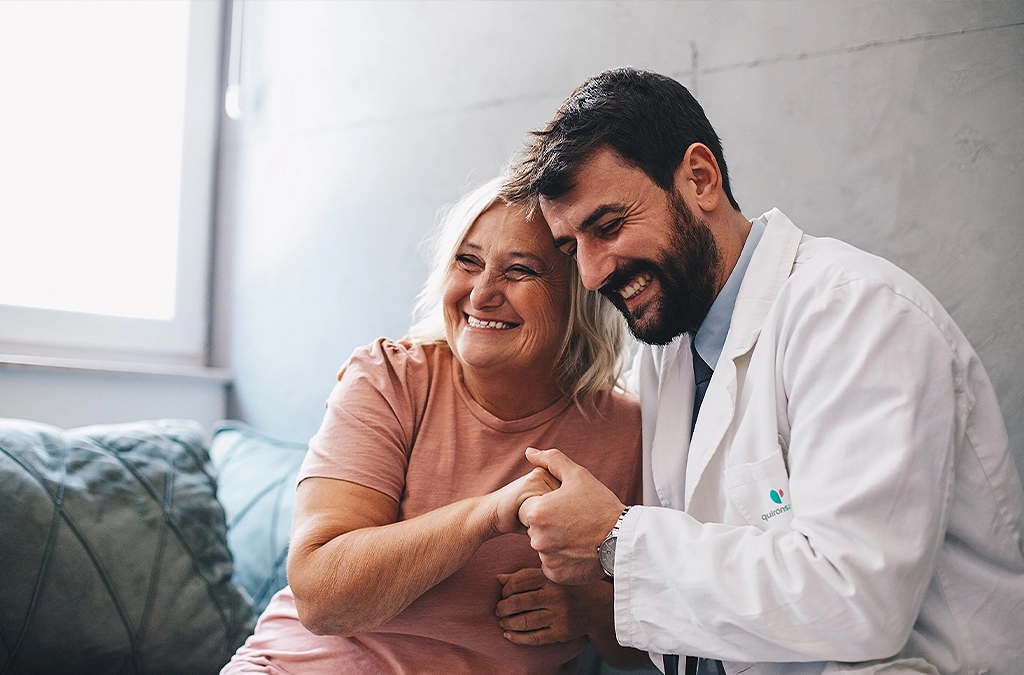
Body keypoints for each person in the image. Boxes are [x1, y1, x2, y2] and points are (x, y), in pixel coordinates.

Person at [500, 68, 1024, 675]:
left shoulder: (859, 312)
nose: (591, 275)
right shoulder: (669, 351)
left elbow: (858, 601)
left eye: (609, 227)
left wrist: (616, 540)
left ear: (700, 178)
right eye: (571, 249)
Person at [221, 177, 650, 674]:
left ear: (578, 293)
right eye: (467, 262)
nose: (482, 293)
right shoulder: (389, 379)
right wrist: (488, 515)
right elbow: (319, 596)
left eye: (520, 271)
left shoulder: (630, 432)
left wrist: (594, 608)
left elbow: (663, 641)